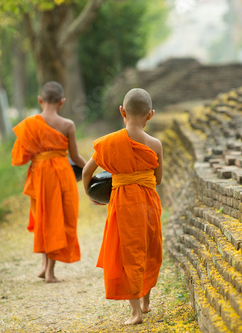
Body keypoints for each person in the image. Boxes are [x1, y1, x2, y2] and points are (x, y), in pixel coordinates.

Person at [82, 88, 163, 325]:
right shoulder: (155, 144)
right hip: (148, 203)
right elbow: (158, 179)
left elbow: (87, 172)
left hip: (122, 204)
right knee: (148, 249)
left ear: (122, 111)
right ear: (151, 115)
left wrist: (91, 194)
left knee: (128, 253)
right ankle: (147, 302)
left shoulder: (109, 143)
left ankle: (136, 312)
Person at [12, 81, 86, 283]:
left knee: (43, 218)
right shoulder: (67, 125)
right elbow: (76, 158)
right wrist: (92, 169)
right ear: (62, 102)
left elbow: (20, 157)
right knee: (58, 219)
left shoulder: (30, 123)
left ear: (40, 100)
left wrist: (39, 152)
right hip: (61, 175)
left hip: (39, 175)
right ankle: (50, 272)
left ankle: (45, 266)